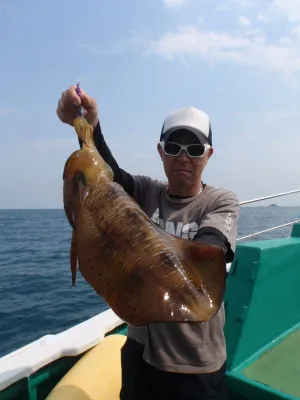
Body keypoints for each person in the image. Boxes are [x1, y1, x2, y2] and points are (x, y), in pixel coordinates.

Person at [57, 86, 240, 400]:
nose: (184, 156)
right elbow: (108, 179)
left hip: (195, 363)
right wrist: (88, 125)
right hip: (140, 352)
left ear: (208, 156)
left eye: (195, 148)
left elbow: (208, 254)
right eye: (174, 146)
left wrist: (127, 223)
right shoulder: (144, 192)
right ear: (161, 151)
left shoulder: (220, 202)